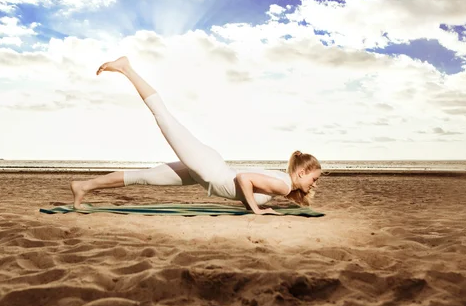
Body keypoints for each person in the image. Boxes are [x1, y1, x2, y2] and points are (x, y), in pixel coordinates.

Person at [71, 56, 322, 215]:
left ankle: (83, 186)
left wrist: (255, 205)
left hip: (207, 170)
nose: (314, 184)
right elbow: (244, 179)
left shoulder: (283, 184)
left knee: (144, 177)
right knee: (164, 117)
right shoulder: (283, 184)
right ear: (301, 172)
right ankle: (127, 68)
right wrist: (256, 209)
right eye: (314, 178)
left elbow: (248, 183)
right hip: (208, 168)